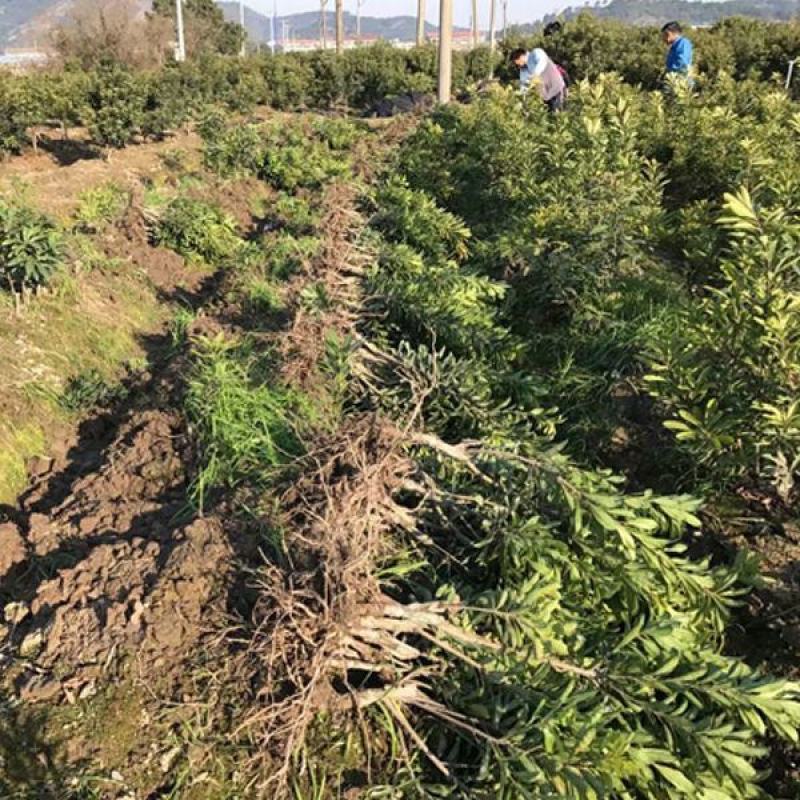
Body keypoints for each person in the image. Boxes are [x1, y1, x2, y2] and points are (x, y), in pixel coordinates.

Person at [510, 47, 566, 112]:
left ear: (521, 57)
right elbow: (524, 86)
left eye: (517, 62)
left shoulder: (535, 53)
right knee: (549, 117)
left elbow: (542, 61)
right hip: (546, 97)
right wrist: (523, 102)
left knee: (559, 115)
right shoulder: (523, 69)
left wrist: (535, 75)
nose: (518, 65)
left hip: (557, 89)